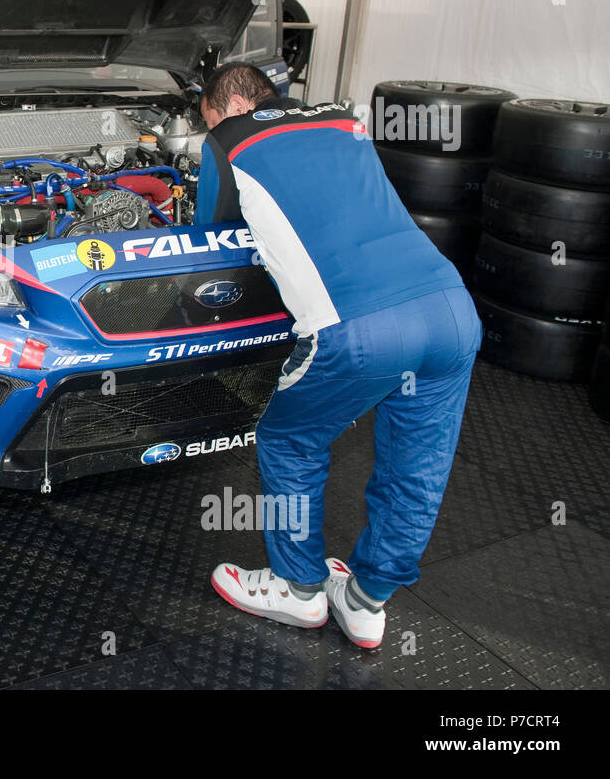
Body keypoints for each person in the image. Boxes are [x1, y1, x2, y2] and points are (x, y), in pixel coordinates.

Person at [200, 62, 481, 649]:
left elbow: (210, 237)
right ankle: (365, 600)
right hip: (451, 310)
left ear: (223, 106)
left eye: (204, 118)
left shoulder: (227, 141)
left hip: (359, 327)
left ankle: (299, 590)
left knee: (289, 440)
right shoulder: (343, 120)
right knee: (417, 466)